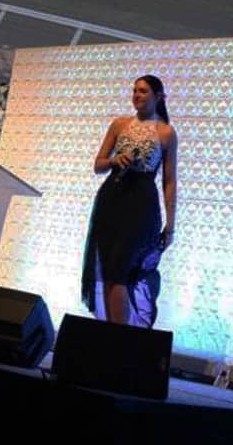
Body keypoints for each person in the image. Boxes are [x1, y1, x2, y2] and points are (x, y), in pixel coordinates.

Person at [81, 75, 177, 327]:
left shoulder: (166, 132)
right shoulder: (119, 124)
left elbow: (169, 181)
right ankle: (112, 334)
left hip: (141, 204)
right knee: (110, 270)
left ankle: (120, 338)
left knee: (122, 269)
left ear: (158, 96)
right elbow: (98, 165)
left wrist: (170, 224)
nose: (136, 95)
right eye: (134, 90)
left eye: (143, 91)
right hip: (112, 198)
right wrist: (115, 160)